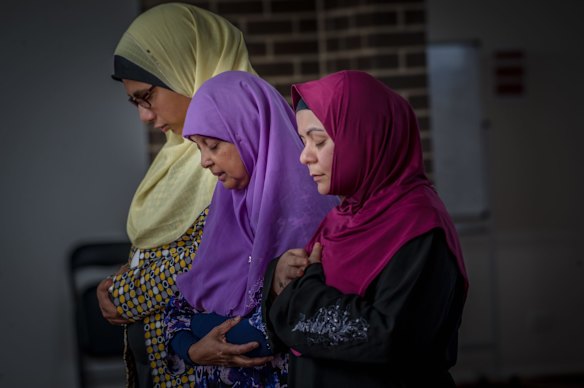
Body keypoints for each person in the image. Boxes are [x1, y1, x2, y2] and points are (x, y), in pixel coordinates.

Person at [261, 70, 470, 387]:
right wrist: (280, 276)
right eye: (304, 141)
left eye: (319, 140)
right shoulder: (343, 217)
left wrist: (303, 290)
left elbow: (386, 338)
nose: (305, 156)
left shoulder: (418, 226)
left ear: (365, 137)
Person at [95, 4, 263, 387]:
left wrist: (122, 294)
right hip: (163, 365)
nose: (145, 116)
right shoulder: (178, 154)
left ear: (188, 69)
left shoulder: (242, 153)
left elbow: (201, 259)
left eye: (147, 96)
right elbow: (165, 251)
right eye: (135, 102)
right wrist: (123, 277)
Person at [164, 71, 338, 386]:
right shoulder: (224, 207)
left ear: (251, 133)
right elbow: (176, 310)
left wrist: (200, 329)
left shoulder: (306, 210)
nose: (204, 160)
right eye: (198, 147)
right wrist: (193, 349)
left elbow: (281, 329)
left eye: (213, 145)